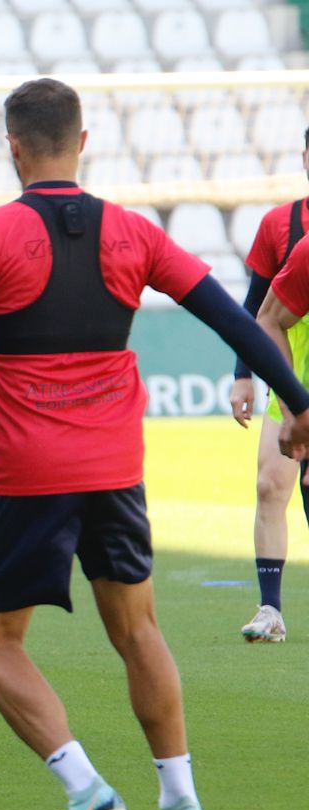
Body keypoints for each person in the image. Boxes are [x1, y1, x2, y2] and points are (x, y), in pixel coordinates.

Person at [0, 78, 309, 810]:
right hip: (115, 465)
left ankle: (85, 786)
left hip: (24, 470)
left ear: (12, 145)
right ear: (82, 144)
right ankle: (182, 802)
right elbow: (234, 316)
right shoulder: (135, 234)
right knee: (138, 628)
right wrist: (299, 402)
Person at [226, 130, 309, 642]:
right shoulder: (283, 226)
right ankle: (271, 609)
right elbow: (257, 311)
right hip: (292, 385)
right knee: (270, 485)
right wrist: (243, 375)